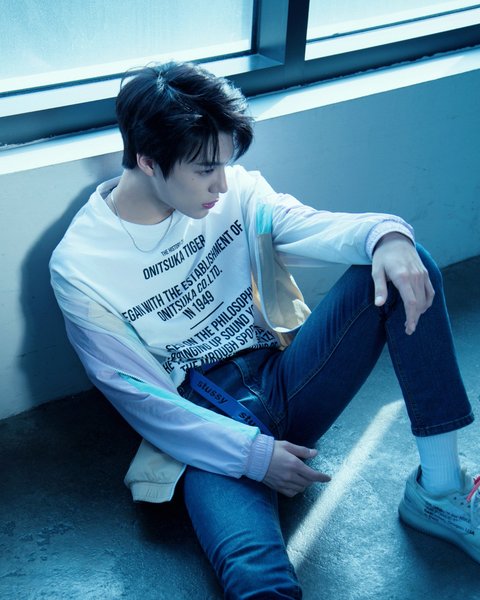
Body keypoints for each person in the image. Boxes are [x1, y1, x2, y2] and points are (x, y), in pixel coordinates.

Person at [50, 61, 478, 599]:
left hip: (287, 376)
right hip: (207, 429)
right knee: (256, 577)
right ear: (148, 161)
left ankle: (440, 491)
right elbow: (144, 402)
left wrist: (386, 235)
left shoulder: (233, 192)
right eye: (205, 170)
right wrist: (252, 455)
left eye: (226, 164)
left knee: (405, 264)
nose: (221, 183)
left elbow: (304, 223)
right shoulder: (81, 266)